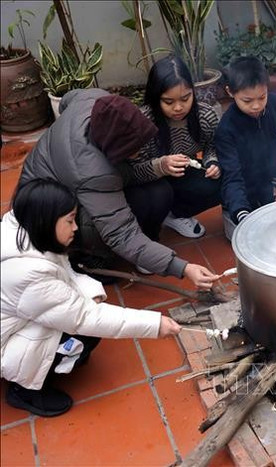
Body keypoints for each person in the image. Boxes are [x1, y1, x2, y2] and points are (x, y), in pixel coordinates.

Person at [1, 180, 182, 417]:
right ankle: (24, 390)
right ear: (46, 220)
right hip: (6, 339)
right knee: (85, 333)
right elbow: (84, 318)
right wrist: (155, 324)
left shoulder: (22, 227)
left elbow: (63, 272)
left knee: (79, 313)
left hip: (16, 317)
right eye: (69, 220)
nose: (75, 227)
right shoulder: (29, 274)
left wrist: (92, 293)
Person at [18, 89, 219, 288]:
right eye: (133, 150)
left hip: (70, 180)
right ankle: (88, 256)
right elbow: (122, 234)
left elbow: (66, 101)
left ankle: (145, 247)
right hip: (45, 211)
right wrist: (183, 268)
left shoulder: (96, 99)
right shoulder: (94, 173)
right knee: (97, 223)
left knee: (158, 192)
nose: (140, 152)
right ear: (113, 146)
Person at [128, 55, 222, 239]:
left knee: (221, 182)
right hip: (150, 183)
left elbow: (212, 146)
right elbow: (131, 173)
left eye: (185, 98)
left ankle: (175, 215)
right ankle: (149, 232)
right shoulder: (143, 122)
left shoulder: (205, 115)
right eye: (168, 102)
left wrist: (213, 162)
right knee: (158, 195)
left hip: (182, 173)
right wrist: (161, 165)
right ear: (156, 97)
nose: (178, 108)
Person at [216, 56, 276, 240]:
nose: (256, 106)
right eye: (247, 100)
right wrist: (241, 212)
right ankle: (235, 212)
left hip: (272, 183)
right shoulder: (226, 128)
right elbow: (231, 174)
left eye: (262, 97)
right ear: (230, 92)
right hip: (244, 188)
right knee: (244, 236)